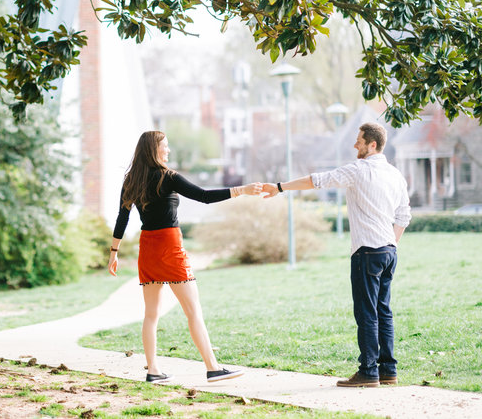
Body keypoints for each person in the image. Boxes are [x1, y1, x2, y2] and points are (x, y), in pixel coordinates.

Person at [262, 122, 411, 388]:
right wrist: (391, 243)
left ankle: (368, 371)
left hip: (367, 251)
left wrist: (280, 187)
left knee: (367, 314)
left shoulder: (359, 170)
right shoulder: (395, 174)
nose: (355, 145)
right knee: (384, 312)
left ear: (372, 144)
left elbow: (316, 181)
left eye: (359, 140)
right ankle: (388, 370)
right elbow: (404, 216)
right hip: (389, 251)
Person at [108, 130, 262, 384]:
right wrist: (242, 190)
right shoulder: (168, 177)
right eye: (164, 146)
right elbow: (204, 196)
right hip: (169, 247)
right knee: (193, 311)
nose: (168, 150)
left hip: (147, 249)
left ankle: (153, 370)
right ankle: (213, 367)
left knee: (151, 314)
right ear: (153, 149)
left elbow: (122, 219)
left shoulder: (131, 180)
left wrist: (113, 253)